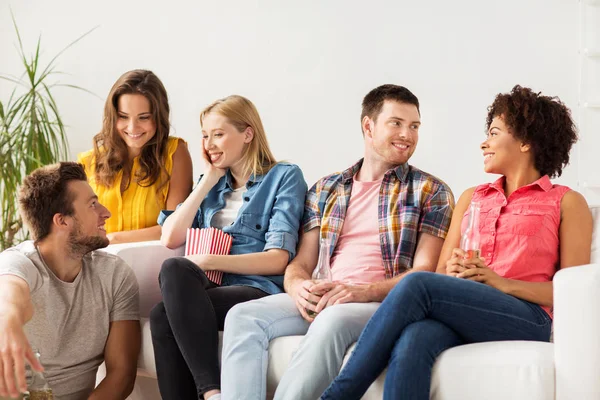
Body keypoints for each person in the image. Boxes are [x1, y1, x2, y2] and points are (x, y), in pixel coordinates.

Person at [320, 85, 593, 400]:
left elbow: (573, 294)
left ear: (526, 141)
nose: (484, 142)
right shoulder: (472, 198)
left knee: (417, 285)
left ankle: (339, 395)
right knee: (414, 338)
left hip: (528, 318)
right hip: (468, 308)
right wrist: (457, 271)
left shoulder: (567, 202)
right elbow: (440, 274)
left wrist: (498, 282)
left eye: (494, 132)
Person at [221, 84, 455, 400]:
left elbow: (424, 272)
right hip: (326, 293)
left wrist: (361, 291)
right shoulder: (327, 188)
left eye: (414, 126)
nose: (407, 134)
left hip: (382, 303)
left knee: (333, 317)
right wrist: (298, 287)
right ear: (368, 126)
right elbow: (301, 263)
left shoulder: (431, 191)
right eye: (396, 123)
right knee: (242, 316)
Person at [149, 95, 308, 400]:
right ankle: (212, 393)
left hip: (257, 288)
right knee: (161, 311)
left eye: (218, 134)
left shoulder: (284, 177)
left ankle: (211, 393)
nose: (209, 144)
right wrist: (207, 181)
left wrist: (209, 261)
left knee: (166, 302)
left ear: (247, 134)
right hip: (213, 289)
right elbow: (170, 238)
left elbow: (277, 260)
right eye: (205, 136)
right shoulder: (211, 184)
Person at [0, 162, 140, 400]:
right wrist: (7, 324)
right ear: (62, 221)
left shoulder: (114, 275)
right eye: (92, 205)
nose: (106, 212)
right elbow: (9, 294)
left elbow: (122, 374)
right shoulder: (19, 262)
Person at [78, 69, 193, 244]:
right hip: (96, 264)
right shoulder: (87, 162)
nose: (132, 128)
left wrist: (113, 239)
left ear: (159, 117)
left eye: (144, 117)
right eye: (123, 117)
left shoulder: (175, 153)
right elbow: (78, 229)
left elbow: (175, 227)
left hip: (150, 264)